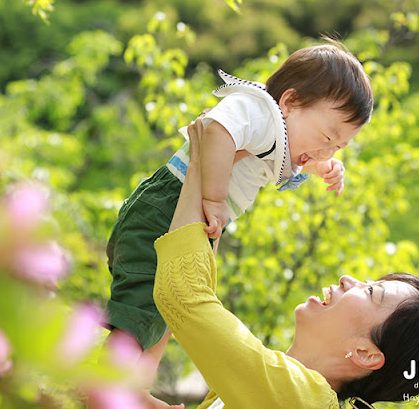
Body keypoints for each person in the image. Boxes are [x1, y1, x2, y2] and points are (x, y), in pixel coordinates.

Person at [104, 41, 373, 406]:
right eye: (327, 138)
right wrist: (214, 198)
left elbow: (290, 159)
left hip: (195, 216)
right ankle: (102, 384)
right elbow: (215, 130)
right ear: (291, 102)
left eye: (338, 148)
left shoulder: (282, 133)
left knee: (161, 315)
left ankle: (132, 394)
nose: (327, 151)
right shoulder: (258, 109)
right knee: (141, 306)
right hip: (167, 206)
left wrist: (323, 165)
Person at [152, 120, 419, 408]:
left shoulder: (299, 400)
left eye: (371, 291)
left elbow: (184, 296)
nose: (349, 278)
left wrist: (202, 163)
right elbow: (191, 295)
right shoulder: (281, 392)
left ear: (365, 353)